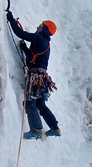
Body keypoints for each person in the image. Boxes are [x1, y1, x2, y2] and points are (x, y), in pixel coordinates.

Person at [6, 10, 61, 139]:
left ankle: (36, 129)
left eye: (41, 26)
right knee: (40, 104)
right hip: (42, 77)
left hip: (35, 77)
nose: (38, 27)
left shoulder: (39, 38)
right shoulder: (45, 43)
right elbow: (33, 58)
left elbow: (19, 33)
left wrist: (10, 18)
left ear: (45, 29)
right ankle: (54, 128)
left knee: (30, 102)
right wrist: (25, 48)